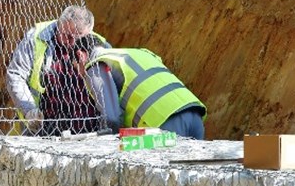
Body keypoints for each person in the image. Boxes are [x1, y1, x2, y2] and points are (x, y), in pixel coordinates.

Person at [5, 5, 109, 135]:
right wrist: (29, 110)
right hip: (44, 129)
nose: (72, 42)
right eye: (67, 36)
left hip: (90, 131)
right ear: (59, 24)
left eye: (78, 38)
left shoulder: (99, 45)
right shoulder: (36, 37)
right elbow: (16, 75)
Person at [80, 34, 208, 139]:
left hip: (162, 121)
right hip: (193, 112)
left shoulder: (96, 66)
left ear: (81, 55)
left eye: (75, 66)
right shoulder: (139, 52)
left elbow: (111, 118)